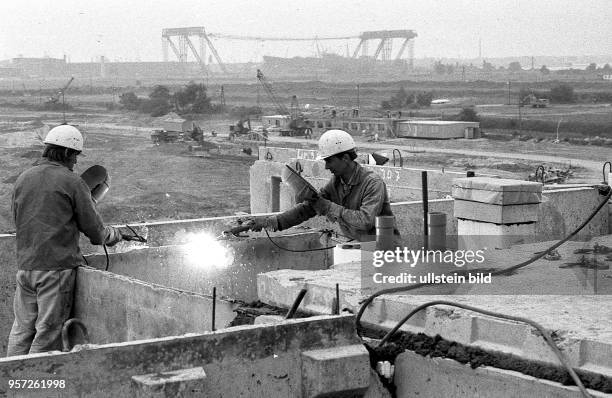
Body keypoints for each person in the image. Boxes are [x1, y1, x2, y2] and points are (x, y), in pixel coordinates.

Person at [7, 124, 122, 356]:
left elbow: (22, 218)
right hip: (55, 270)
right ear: (68, 153)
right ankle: (34, 388)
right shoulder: (72, 182)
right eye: (76, 157)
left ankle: (10, 384)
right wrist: (114, 235)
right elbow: (97, 233)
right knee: (48, 334)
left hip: (26, 268)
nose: (76, 163)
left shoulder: (23, 178)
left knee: (21, 331)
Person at [248, 129, 400, 243]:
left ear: (345, 158)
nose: (326, 167)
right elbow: (309, 208)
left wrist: (328, 207)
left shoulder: (372, 183)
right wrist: (272, 222)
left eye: (329, 161)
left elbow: (365, 221)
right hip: (360, 246)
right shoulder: (336, 183)